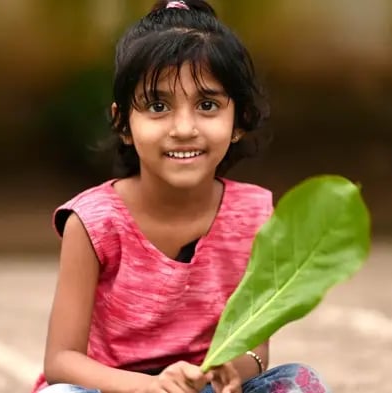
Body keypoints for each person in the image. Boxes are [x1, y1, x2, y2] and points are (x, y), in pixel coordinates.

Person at [34, 1, 330, 393]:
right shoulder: (93, 223)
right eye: (158, 106)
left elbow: (256, 351)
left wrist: (228, 372)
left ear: (239, 121)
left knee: (300, 382)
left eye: (207, 105)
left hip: (200, 389)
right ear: (123, 123)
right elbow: (60, 361)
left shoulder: (255, 217)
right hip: (116, 389)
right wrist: (148, 387)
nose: (184, 128)